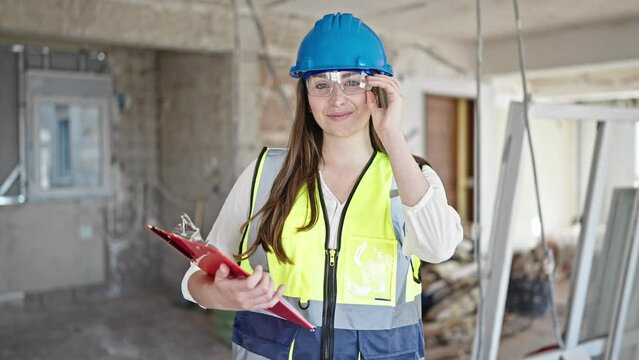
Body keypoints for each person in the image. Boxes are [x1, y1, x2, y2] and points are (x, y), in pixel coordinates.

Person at [182, 12, 463, 360]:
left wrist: (392, 136)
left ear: (378, 88)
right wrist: (222, 296)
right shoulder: (267, 174)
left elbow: (438, 248)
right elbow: (197, 276)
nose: (337, 99)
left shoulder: (410, 177)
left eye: (352, 82)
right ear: (306, 93)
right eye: (321, 84)